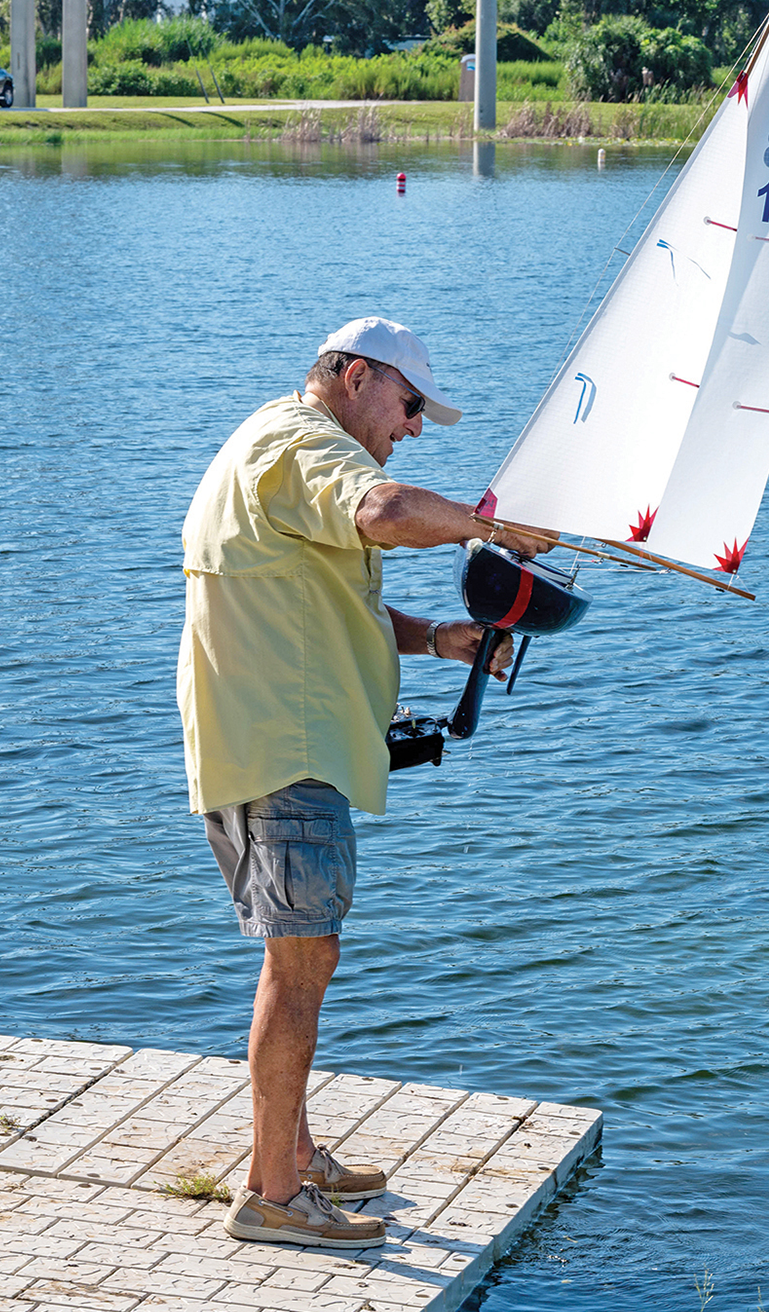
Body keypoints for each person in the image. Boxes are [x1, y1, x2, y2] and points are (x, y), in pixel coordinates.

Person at [178, 316, 552, 1248]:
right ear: (352, 378)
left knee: (294, 960)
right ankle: (271, 1198)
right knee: (302, 966)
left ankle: (293, 1154)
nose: (415, 425)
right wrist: (491, 527)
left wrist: (437, 638)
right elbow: (384, 512)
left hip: (252, 741)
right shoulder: (307, 443)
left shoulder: (269, 440)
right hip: (288, 755)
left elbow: (324, 598)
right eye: (410, 403)